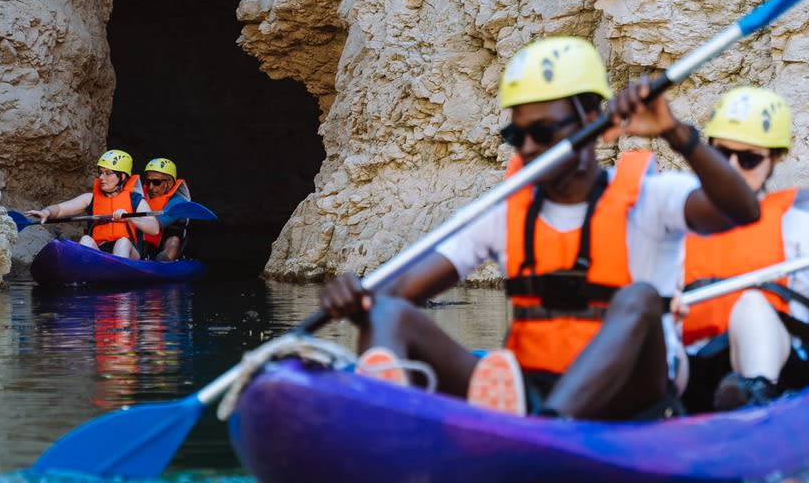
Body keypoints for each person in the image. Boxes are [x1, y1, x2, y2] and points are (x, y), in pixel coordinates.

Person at [318, 35, 760, 420]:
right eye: (518, 136)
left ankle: (544, 430)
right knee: (389, 313)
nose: (529, 148)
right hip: (528, 387)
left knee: (640, 297)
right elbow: (396, 299)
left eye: (545, 134)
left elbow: (742, 211)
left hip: (632, 395)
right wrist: (357, 303)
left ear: (593, 125)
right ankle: (384, 422)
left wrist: (673, 131)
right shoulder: (505, 211)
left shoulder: (653, 197)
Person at [676, 87, 809, 412]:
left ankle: (755, 396)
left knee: (752, 305)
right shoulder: (677, 228)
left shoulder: (807, 231)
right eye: (720, 155)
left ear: (776, 158)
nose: (732, 168)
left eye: (748, 159)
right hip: (698, 374)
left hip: (782, 377)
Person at [26, 149, 160, 259]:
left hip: (129, 253)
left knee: (123, 242)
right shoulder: (90, 198)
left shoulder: (135, 200)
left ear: (122, 177)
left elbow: (154, 229)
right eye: (101, 173)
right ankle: (82, 275)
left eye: (108, 173)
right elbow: (60, 209)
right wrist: (46, 212)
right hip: (100, 250)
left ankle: (117, 278)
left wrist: (130, 217)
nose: (101, 178)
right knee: (85, 239)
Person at [137, 157, 195, 262]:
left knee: (173, 240)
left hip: (168, 240)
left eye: (156, 182)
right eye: (148, 181)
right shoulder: (140, 196)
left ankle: (166, 260)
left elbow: (156, 226)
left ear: (169, 182)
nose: (150, 187)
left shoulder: (178, 202)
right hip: (145, 243)